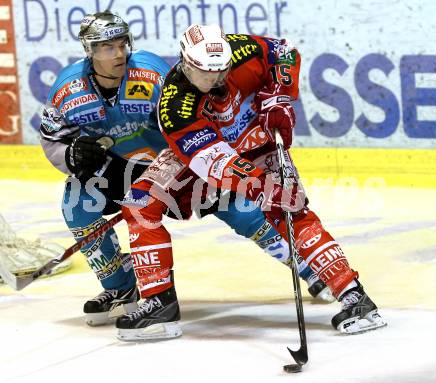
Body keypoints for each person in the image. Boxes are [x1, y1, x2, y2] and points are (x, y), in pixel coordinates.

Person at [39, 12, 330, 329]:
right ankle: (121, 287)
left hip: (180, 160)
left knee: (242, 211)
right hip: (119, 166)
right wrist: (71, 154)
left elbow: (198, 117)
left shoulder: (151, 74)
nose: (119, 53)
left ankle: (308, 265)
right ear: (90, 50)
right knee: (77, 204)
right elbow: (52, 139)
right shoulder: (68, 89)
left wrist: (206, 159)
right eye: (108, 47)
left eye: (123, 44)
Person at [118, 24, 386, 339]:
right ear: (186, 63)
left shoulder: (243, 48)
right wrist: (260, 185)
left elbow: (284, 52)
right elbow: (214, 162)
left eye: (222, 71)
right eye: (206, 73)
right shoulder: (175, 107)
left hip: (259, 141)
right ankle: (159, 302)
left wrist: (280, 97)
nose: (216, 80)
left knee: (290, 209)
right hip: (207, 153)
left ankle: (354, 296)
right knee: (140, 203)